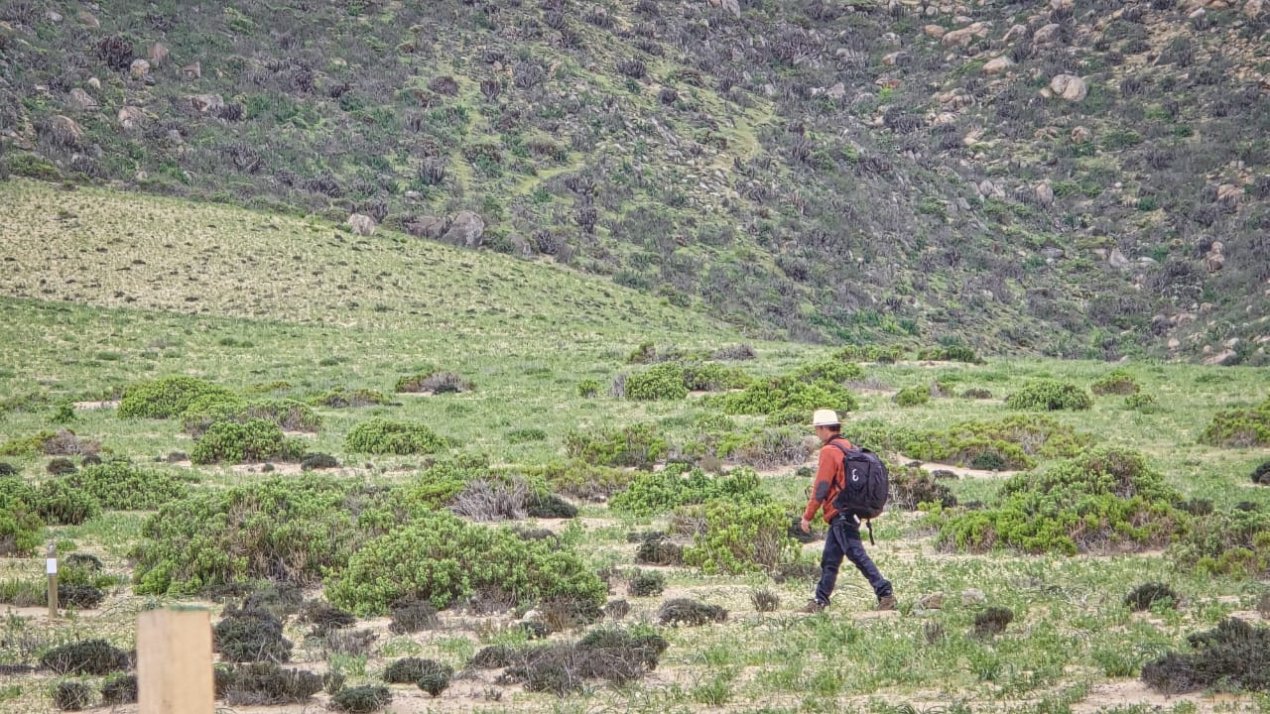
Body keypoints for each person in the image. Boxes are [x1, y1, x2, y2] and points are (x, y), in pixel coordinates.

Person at [799, 409, 896, 613]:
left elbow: (822, 486)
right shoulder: (848, 446)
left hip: (840, 512)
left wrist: (808, 516)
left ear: (823, 428)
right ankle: (820, 600)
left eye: (817, 428)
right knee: (830, 559)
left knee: (856, 554)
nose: (816, 432)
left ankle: (885, 592)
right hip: (849, 511)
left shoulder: (829, 451)